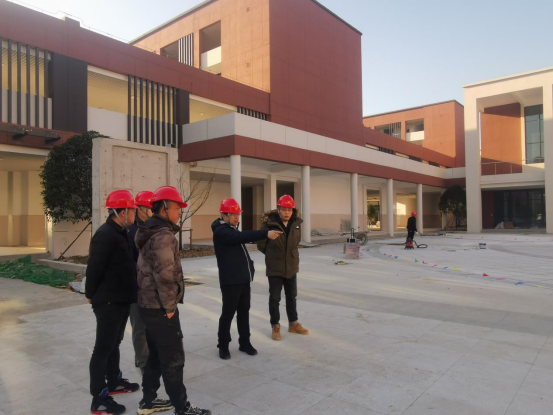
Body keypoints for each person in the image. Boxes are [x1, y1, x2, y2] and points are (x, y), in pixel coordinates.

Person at [135, 185, 210, 415]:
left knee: (156, 354)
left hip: (148, 304)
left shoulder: (150, 230)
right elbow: (165, 275)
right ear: (165, 208)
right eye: (177, 208)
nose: (180, 212)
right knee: (173, 358)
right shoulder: (163, 236)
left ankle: (148, 401)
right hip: (160, 306)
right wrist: (169, 308)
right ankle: (182, 407)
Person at [86, 190, 141, 415]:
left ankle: (114, 381)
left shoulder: (122, 232)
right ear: (121, 212)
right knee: (103, 348)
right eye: (132, 210)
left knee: (114, 343)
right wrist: (90, 293)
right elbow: (94, 267)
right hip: (108, 301)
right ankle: (99, 398)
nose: (135, 214)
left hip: (121, 299)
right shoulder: (105, 234)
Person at [212, 198, 282, 360]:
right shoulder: (221, 231)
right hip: (231, 281)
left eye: (238, 214)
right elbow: (241, 237)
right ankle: (223, 345)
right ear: (224, 215)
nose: (237, 217)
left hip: (243, 279)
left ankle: (245, 342)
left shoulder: (231, 229)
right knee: (228, 314)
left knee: (244, 312)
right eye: (233, 214)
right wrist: (266, 233)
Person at [257, 195, 309, 341]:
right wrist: (273, 254)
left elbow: (296, 242)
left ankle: (293, 323)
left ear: (293, 211)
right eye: (284, 209)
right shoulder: (269, 224)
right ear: (278, 209)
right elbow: (261, 244)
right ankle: (275, 325)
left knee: (292, 296)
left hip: (291, 266)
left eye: (289, 210)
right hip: (275, 267)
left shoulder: (296, 223)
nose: (287, 213)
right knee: (275, 298)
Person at [127, 191, 153, 375]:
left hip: (151, 286)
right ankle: (143, 361)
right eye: (150, 208)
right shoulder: (131, 231)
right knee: (139, 326)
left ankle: (149, 357)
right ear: (140, 209)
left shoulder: (153, 228)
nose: (153, 212)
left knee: (151, 325)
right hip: (136, 287)